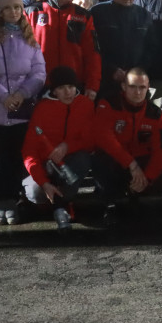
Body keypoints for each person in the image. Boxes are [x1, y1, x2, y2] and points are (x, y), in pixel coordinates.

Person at [22, 66, 136, 233]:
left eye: (70, 86)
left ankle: (62, 202)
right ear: (54, 91)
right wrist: (44, 183)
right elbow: (29, 151)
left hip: (71, 160)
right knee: (35, 191)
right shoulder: (42, 109)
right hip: (46, 163)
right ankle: (52, 200)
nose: (67, 92)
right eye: (61, 88)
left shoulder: (85, 105)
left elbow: (90, 140)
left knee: (84, 159)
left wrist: (67, 145)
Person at [0, 0, 46, 226]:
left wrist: (22, 93)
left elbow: (38, 71)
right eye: (8, 8)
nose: (14, 12)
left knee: (21, 156)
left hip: (22, 109)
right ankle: (2, 201)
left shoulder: (29, 38)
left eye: (18, 8)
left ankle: (20, 199)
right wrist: (3, 96)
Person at [93, 68, 162, 205]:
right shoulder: (108, 104)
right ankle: (109, 203)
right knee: (102, 162)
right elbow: (103, 138)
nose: (138, 92)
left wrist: (147, 178)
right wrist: (131, 164)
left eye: (142, 87)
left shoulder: (155, 114)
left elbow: (161, 151)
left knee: (161, 178)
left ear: (148, 88)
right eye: (132, 87)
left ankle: (137, 190)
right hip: (117, 160)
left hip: (140, 164)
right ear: (123, 86)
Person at [25, 0, 102, 98]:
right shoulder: (33, 12)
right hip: (39, 86)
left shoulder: (83, 16)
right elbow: (22, 53)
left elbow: (92, 53)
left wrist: (92, 85)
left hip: (72, 86)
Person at [91, 0, 152, 99]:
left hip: (134, 81)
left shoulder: (144, 15)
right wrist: (111, 70)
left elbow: (151, 46)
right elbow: (92, 46)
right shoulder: (98, 12)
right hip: (105, 78)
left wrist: (136, 71)